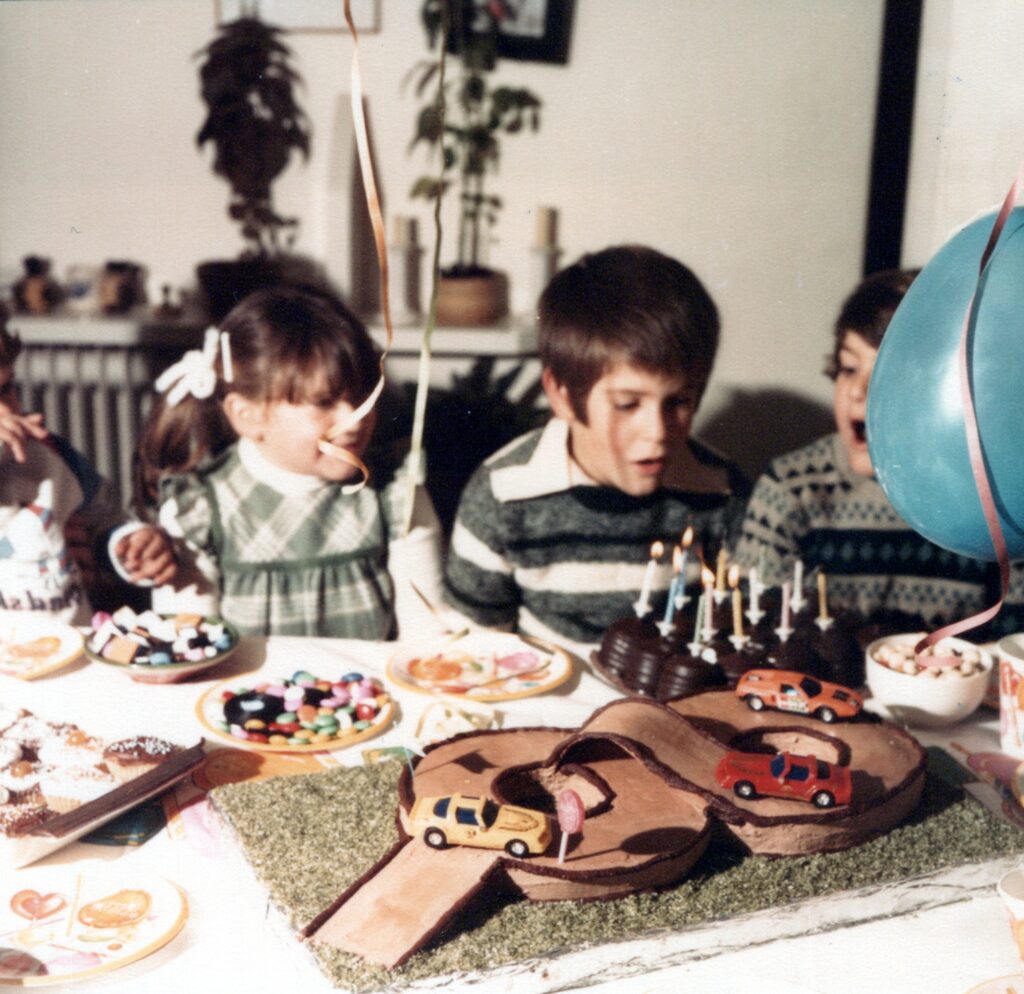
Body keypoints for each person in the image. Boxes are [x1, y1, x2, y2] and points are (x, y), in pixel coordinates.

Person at [443, 245, 749, 653]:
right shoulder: (502, 495)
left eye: (678, 401)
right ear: (562, 395)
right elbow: (470, 652)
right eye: (627, 404)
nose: (657, 432)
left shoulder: (722, 491)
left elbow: (747, 634)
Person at [137, 286, 444, 639]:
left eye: (362, 395)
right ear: (247, 415)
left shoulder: (395, 494)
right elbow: (190, 643)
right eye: (325, 401)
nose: (355, 418)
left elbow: (428, 634)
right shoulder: (198, 509)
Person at [733, 268, 1023, 636]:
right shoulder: (790, 489)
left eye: (889, 373)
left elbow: (1015, 649)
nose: (859, 390)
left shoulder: (992, 498)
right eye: (849, 367)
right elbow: (751, 628)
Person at [0, 316, 176, 624]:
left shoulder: (50, 454)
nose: (4, 412)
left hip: (68, 648)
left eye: (5, 389)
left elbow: (100, 521)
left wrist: (127, 544)